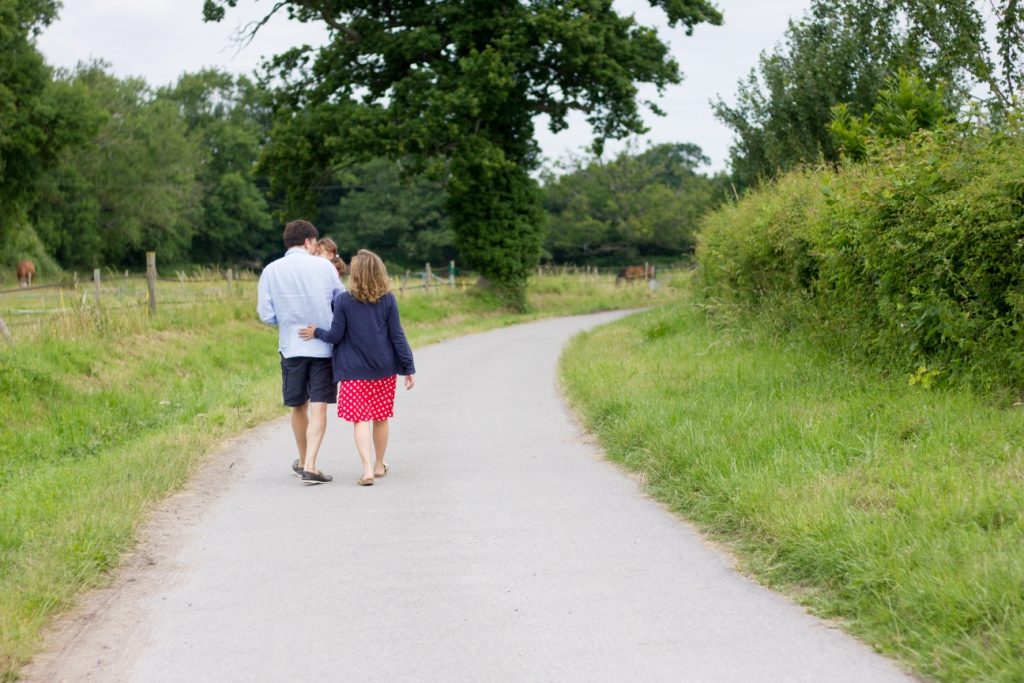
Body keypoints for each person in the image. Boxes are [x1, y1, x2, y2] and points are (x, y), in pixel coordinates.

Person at [299, 249, 415, 486]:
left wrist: (316, 332)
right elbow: (398, 336)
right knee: (381, 417)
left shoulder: (343, 300)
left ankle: (366, 470)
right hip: (383, 369)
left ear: (356, 274)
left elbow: (335, 335)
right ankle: (379, 464)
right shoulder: (388, 299)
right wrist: (408, 367)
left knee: (360, 419)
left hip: (354, 373)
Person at [257, 220, 345, 485]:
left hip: (291, 346)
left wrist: (288, 322)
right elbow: (339, 301)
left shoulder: (271, 270)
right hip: (323, 346)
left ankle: (304, 458)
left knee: (297, 405)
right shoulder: (324, 267)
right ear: (308, 241)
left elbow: (266, 314)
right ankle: (311, 464)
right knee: (319, 405)